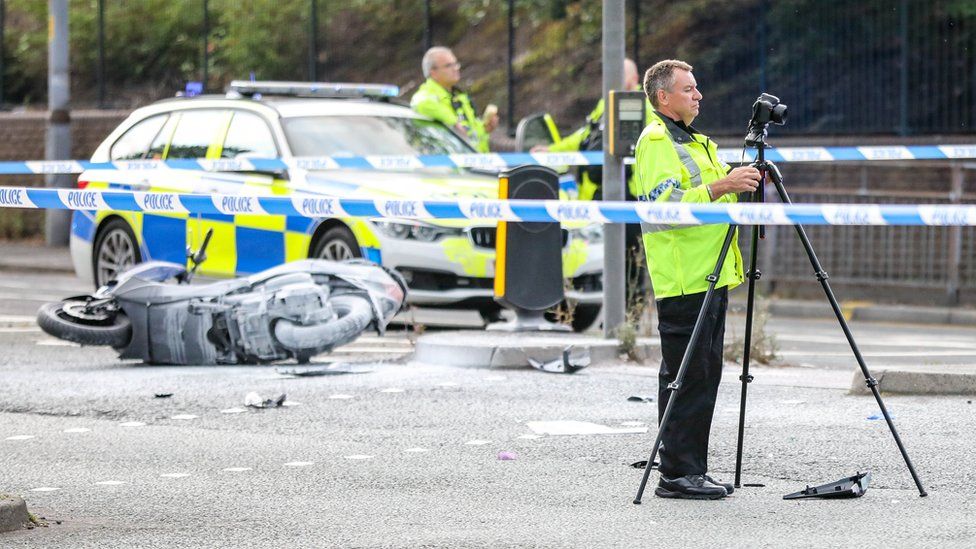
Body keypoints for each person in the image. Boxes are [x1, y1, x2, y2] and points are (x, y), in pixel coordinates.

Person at [633, 59, 761, 500]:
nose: (698, 95)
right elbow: (665, 207)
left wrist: (739, 183)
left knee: (702, 376)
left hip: (709, 275)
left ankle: (690, 469)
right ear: (663, 97)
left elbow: (714, 199)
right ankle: (677, 474)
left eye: (696, 87)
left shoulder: (695, 141)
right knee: (687, 378)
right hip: (684, 279)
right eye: (688, 89)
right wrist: (724, 186)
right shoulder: (656, 140)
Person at [410, 47, 499, 153]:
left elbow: (469, 134)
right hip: (443, 162)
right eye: (448, 65)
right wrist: (453, 122)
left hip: (473, 160)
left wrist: (485, 129)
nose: (455, 68)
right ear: (433, 73)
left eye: (456, 64)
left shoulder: (460, 96)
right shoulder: (427, 94)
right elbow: (420, 103)